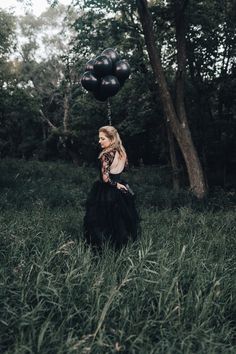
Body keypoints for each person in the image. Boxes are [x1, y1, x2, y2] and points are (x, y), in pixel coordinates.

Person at [83, 125, 139, 249]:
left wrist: (115, 184)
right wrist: (119, 183)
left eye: (102, 138)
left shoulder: (106, 155)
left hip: (106, 191)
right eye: (99, 138)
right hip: (121, 189)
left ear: (112, 139)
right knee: (120, 221)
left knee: (100, 222)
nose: (99, 141)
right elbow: (125, 168)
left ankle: (102, 250)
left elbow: (105, 178)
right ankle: (119, 249)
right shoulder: (122, 152)